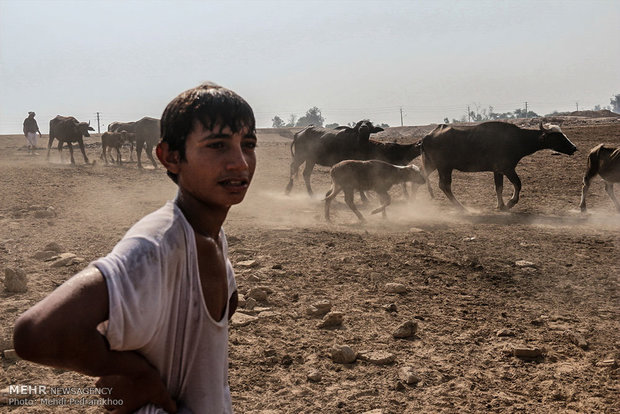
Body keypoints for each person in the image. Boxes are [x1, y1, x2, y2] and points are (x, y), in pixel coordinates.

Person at [13, 82, 258, 413]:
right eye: (217, 145)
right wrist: (136, 373)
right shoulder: (157, 247)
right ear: (170, 156)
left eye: (248, 144)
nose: (239, 162)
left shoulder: (211, 234)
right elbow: (34, 333)